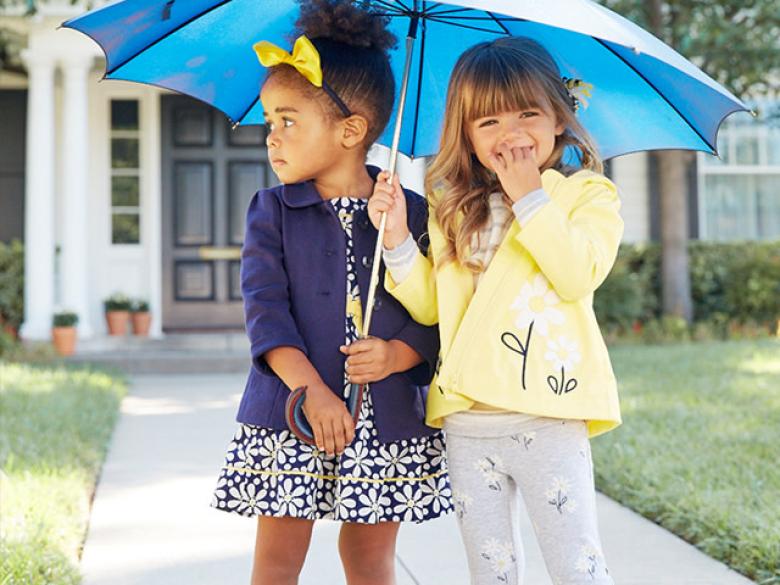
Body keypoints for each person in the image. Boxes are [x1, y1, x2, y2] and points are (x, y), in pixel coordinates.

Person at [211, 2, 451, 584]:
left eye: (288, 121)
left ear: (350, 131)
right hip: (293, 410)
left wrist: (397, 355)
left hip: (383, 416)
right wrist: (313, 391)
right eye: (270, 121)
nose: (272, 138)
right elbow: (266, 315)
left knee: (369, 559)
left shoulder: (411, 211)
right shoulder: (271, 211)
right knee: (277, 560)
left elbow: (441, 309)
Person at [368, 36, 622, 585]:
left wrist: (530, 195)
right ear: (466, 135)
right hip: (468, 420)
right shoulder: (455, 207)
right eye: (488, 121)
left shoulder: (588, 196)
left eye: (527, 113)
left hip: (547, 414)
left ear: (559, 117)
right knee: (491, 570)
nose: (510, 133)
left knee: (576, 565)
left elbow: (577, 273)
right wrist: (397, 240)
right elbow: (434, 308)